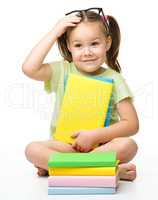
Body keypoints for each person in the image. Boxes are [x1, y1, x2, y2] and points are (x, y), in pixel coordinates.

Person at [22, 8, 139, 181]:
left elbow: (132, 125)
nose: (87, 52)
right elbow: (29, 68)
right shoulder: (62, 70)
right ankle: (107, 171)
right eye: (78, 45)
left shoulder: (115, 79)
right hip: (66, 146)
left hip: (102, 148)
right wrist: (55, 31)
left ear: (107, 43)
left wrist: (94, 136)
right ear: (69, 46)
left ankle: (61, 168)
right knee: (32, 149)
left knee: (129, 145)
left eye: (94, 43)